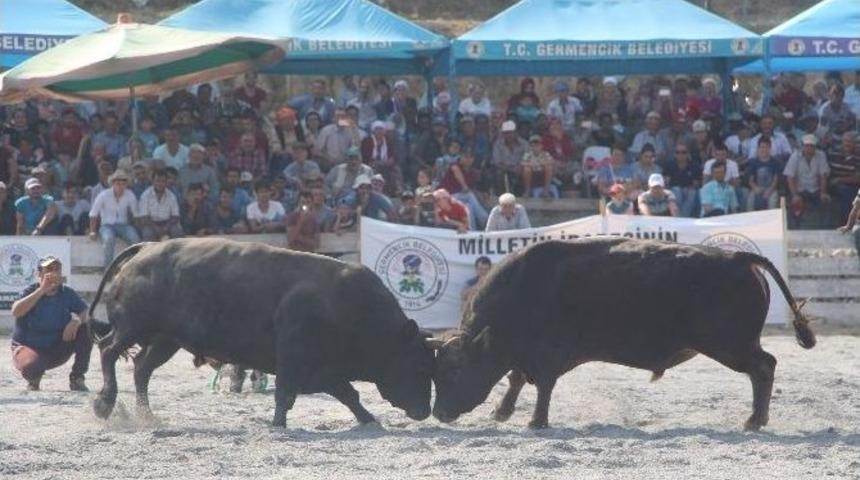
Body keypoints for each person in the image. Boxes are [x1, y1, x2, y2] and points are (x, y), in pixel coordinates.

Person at [10, 256, 90, 391]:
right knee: (32, 365)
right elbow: (16, 311)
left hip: (57, 348)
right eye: (48, 269)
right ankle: (34, 380)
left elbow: (86, 311)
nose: (53, 272)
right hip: (30, 349)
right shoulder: (30, 291)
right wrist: (41, 290)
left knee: (86, 329)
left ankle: (77, 377)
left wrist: (77, 321)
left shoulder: (67, 293)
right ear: (39, 273)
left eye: (57, 269)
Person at [88, 170, 140, 265]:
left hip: (123, 225)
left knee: (135, 238)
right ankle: (108, 269)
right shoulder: (103, 195)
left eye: (123, 184)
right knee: (108, 240)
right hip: (107, 226)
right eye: (118, 183)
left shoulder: (130, 195)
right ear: (113, 183)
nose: (120, 186)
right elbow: (93, 214)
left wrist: (135, 228)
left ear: (126, 185)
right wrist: (92, 231)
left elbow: (136, 214)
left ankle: (134, 266)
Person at [784, 134, 831, 225]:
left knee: (826, 202)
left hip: (816, 189)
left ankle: (825, 228)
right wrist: (795, 195)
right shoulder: (795, 156)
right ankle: (796, 227)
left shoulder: (821, 155)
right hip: (800, 190)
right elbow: (790, 177)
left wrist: (823, 193)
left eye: (811, 146)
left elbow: (823, 176)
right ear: (803, 146)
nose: (809, 148)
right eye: (807, 146)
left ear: (815, 147)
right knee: (795, 203)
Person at [138, 169, 183, 241]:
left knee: (177, 232)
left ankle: (175, 252)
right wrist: (156, 228)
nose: (160, 184)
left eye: (163, 181)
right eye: (157, 181)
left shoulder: (171, 195)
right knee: (148, 234)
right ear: (152, 181)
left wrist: (166, 227)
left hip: (168, 223)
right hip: (150, 223)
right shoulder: (145, 195)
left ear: (166, 182)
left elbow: (175, 216)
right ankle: (152, 252)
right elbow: (144, 217)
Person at [746, 138, 781, 211]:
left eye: (766, 147)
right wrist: (755, 188)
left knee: (772, 202)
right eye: (762, 147)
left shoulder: (775, 162)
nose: (764, 149)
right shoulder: (754, 162)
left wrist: (769, 191)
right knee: (750, 200)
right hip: (757, 187)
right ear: (758, 148)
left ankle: (772, 221)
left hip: (771, 189)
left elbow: (775, 180)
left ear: (770, 148)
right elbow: (751, 181)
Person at [522, 134, 555, 199]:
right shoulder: (527, 154)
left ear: (541, 146)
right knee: (527, 169)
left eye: (537, 145)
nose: (535, 147)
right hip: (532, 177)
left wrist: (541, 164)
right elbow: (523, 163)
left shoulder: (545, 154)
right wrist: (533, 164)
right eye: (533, 145)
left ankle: (546, 191)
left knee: (549, 168)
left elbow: (551, 161)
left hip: (542, 176)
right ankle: (527, 191)